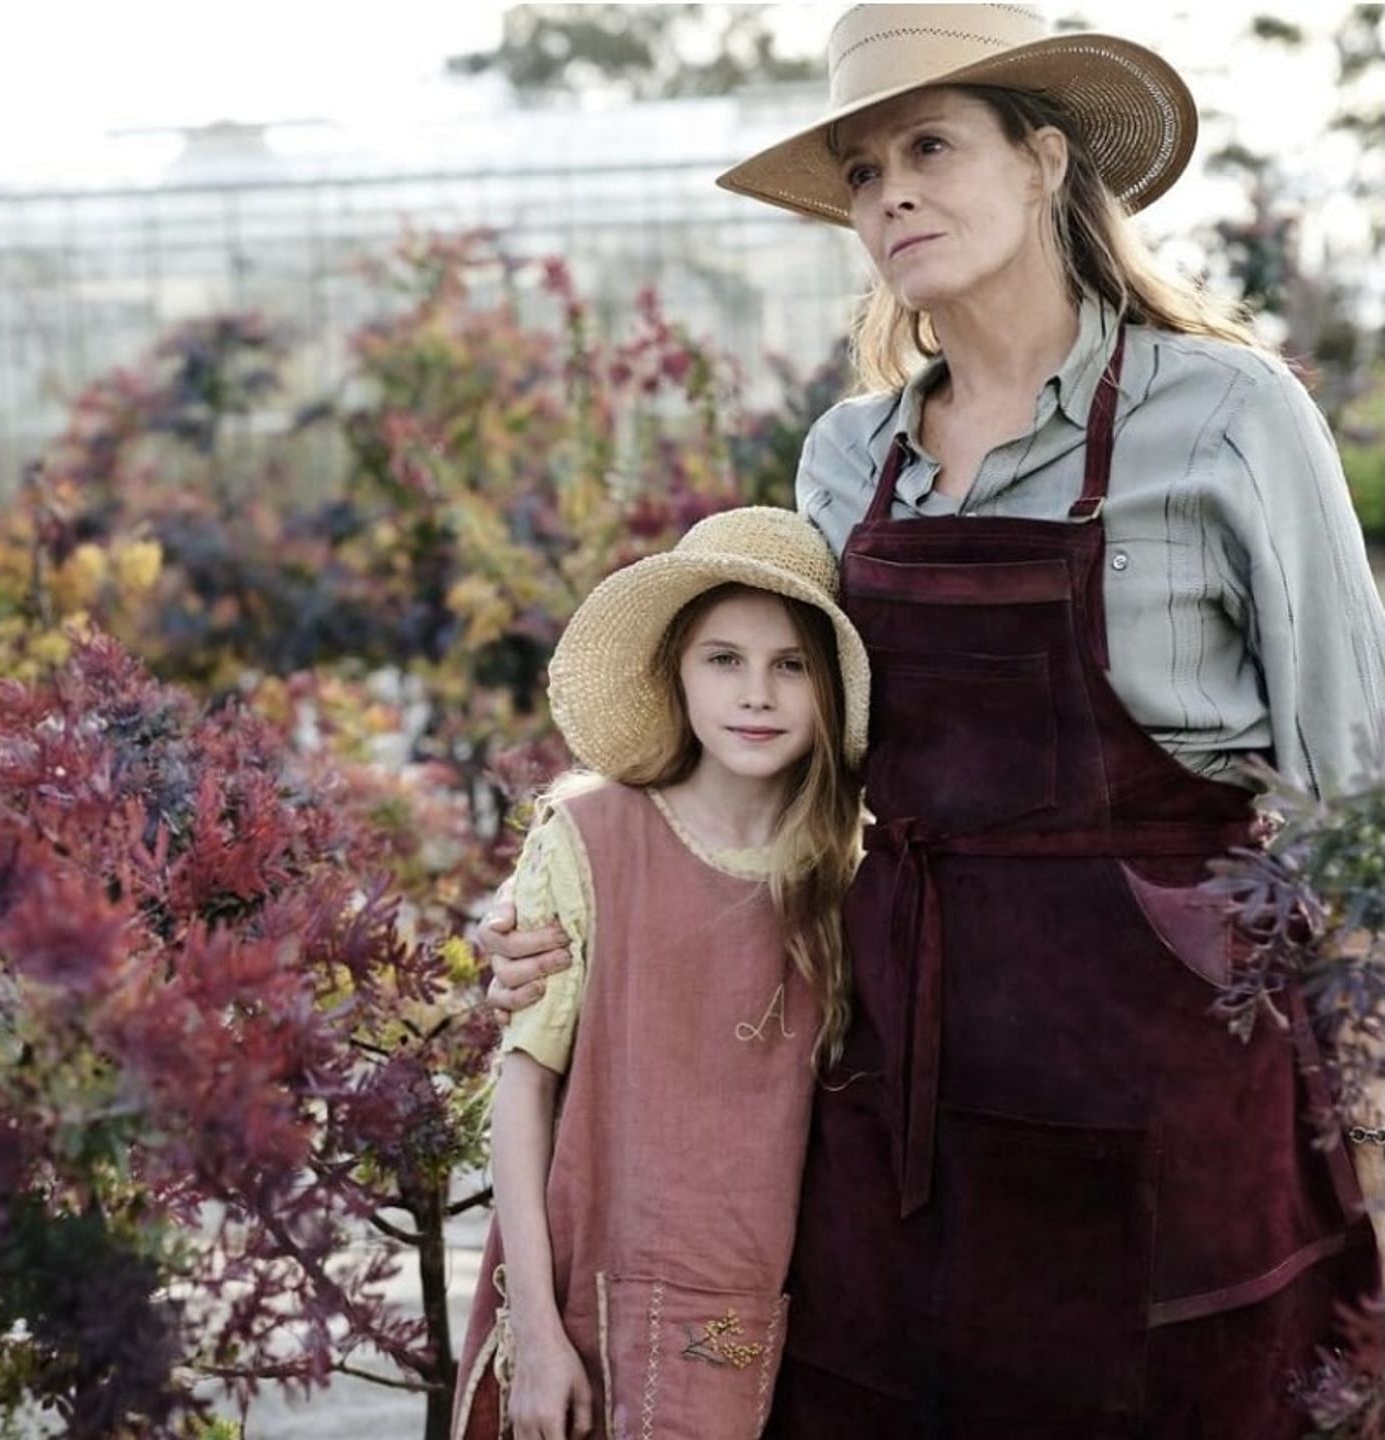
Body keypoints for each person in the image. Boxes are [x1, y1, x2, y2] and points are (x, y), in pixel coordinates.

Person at [480, 5, 1385, 1436]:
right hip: (904, 1063)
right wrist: (580, 904)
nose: (889, 188)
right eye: (860, 168)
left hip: (1170, 1074)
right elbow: (789, 769)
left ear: (1041, 164)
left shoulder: (1226, 413)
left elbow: (1359, 791)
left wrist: (1374, 1091)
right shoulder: (851, 459)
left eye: (930, 145)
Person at [451, 507, 869, 1440]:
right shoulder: (594, 840)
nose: (755, 693)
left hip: (776, 1306)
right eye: (723, 658)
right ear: (676, 671)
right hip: (584, 1299)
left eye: (791, 664)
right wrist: (538, 1333)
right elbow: (523, 1086)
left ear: (829, 688)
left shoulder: (850, 873)